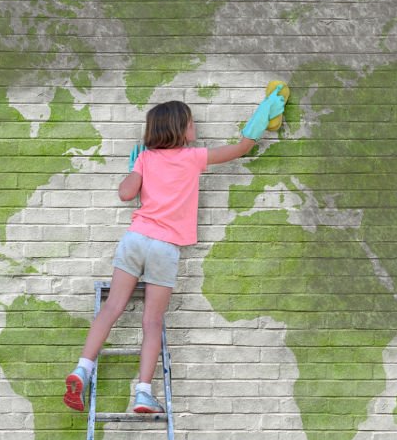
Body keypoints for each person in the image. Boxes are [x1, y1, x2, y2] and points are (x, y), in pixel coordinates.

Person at [64, 87, 286, 414]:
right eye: (192, 123)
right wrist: (261, 119)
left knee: (112, 308)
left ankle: (82, 368)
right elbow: (240, 149)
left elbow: (126, 194)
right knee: (152, 322)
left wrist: (136, 168)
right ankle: (142, 393)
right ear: (180, 129)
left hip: (136, 238)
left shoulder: (145, 157)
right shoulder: (192, 157)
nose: (196, 128)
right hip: (165, 248)